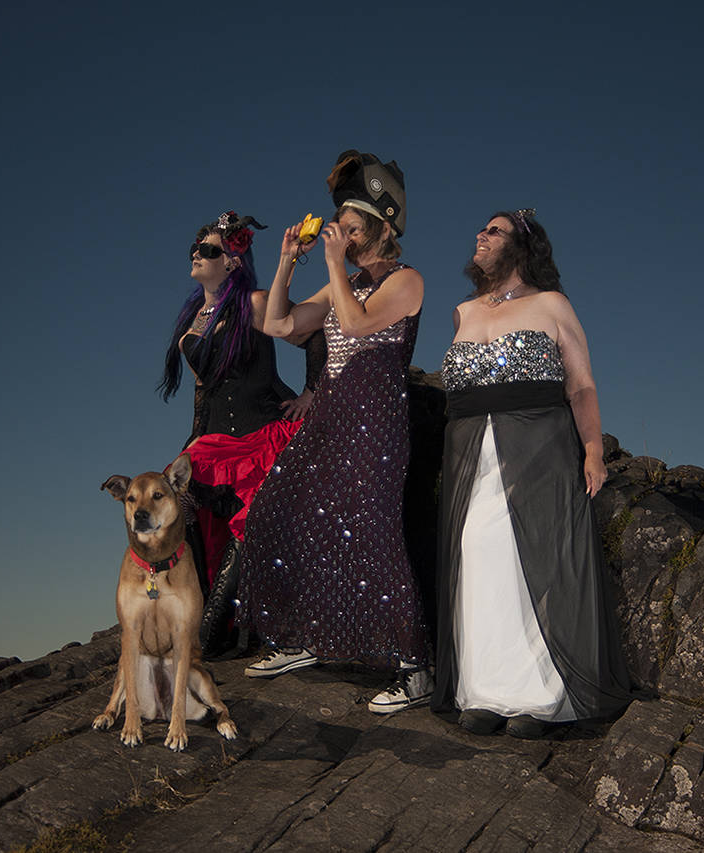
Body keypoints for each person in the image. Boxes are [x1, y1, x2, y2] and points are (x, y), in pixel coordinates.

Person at [235, 150, 433, 714]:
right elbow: (277, 324)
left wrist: (331, 266)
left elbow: (354, 323)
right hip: (331, 418)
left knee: (371, 535)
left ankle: (413, 666)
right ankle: (301, 637)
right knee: (280, 508)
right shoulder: (340, 281)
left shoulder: (407, 280)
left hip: (376, 421)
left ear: (380, 227)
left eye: (350, 225)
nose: (340, 233)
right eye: (338, 225)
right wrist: (285, 263)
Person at [430, 209, 639, 738]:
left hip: (540, 448)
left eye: (494, 230)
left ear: (521, 247)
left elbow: (582, 385)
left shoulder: (552, 305)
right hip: (470, 454)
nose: (480, 234)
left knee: (534, 558)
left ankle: (539, 699)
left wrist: (592, 450)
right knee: (477, 553)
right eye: (480, 228)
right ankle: (482, 692)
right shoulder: (462, 312)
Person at [157, 210, 324, 655]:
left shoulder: (252, 303)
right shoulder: (193, 318)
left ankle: (213, 629)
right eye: (195, 248)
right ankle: (204, 612)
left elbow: (313, 336)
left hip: (264, 432)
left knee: (246, 521)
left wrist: (310, 392)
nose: (197, 254)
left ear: (231, 261)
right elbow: (203, 392)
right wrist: (190, 447)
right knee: (175, 504)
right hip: (217, 440)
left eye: (208, 250)